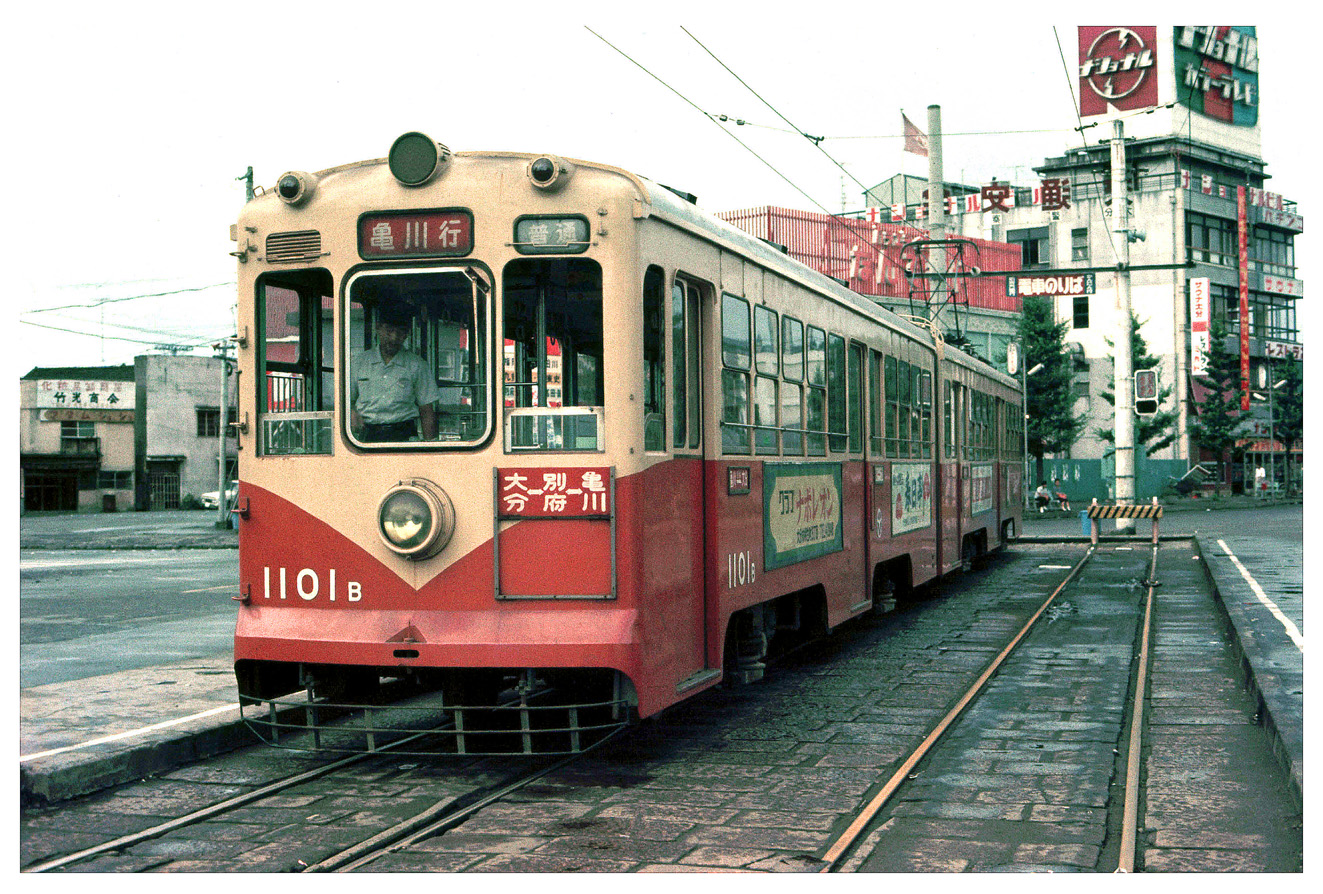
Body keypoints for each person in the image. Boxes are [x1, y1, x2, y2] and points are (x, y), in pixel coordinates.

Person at [350, 303, 439, 442]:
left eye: (400, 332)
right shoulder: (359, 362)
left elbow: (427, 411)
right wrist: (351, 413)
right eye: (389, 330)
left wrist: (432, 449)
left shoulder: (417, 365)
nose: (393, 337)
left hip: (403, 435)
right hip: (366, 438)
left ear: (406, 335)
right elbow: (345, 400)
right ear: (378, 328)